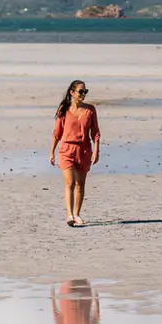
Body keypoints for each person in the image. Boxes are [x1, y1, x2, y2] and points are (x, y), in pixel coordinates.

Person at [48, 80, 101, 227]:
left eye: (85, 91)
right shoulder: (64, 110)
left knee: (80, 184)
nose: (83, 94)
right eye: (81, 91)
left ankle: (77, 214)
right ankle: (69, 215)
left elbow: (95, 133)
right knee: (69, 183)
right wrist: (52, 152)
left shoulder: (90, 110)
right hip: (67, 150)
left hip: (84, 150)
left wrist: (96, 150)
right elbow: (57, 133)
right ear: (72, 93)